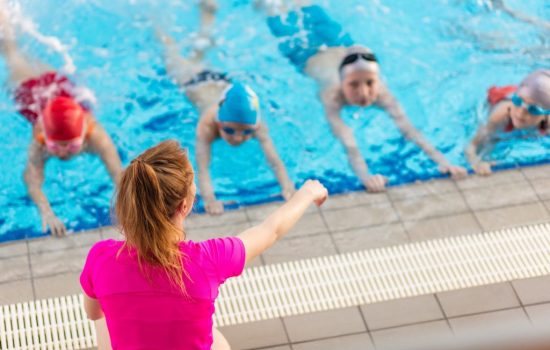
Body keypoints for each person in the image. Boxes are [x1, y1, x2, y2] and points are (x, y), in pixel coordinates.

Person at [80, 140, 328, 350]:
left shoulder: (101, 257)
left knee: (103, 317)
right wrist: (305, 194)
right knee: (216, 339)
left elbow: (93, 313)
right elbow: (270, 230)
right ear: (184, 206)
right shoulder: (209, 260)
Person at [256, 0, 467, 192]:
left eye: (369, 83)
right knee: (271, 7)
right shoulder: (332, 95)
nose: (364, 93)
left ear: (378, 79)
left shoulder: (382, 93)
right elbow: (349, 143)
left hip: (337, 39)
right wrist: (365, 176)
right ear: (342, 82)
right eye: (353, 85)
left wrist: (443, 161)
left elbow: (410, 130)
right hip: (302, 52)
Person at [157, 1, 295, 215]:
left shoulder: (255, 121)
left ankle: (208, 15)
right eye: (229, 130)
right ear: (219, 122)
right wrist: (211, 199)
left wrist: (287, 185)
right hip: (192, 81)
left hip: (218, 83)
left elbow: (274, 159)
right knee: (171, 54)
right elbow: (201, 167)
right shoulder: (207, 124)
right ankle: (156, 26)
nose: (238, 138)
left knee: (199, 52)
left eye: (246, 132)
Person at [0, 3, 122, 236]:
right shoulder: (40, 140)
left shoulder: (96, 136)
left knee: (19, 51)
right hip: (30, 90)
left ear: (83, 135)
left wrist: (130, 210)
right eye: (56, 146)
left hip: (59, 90)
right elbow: (32, 178)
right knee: (10, 50)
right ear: (45, 137)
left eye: (72, 145)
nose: (63, 153)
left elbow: (119, 175)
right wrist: (47, 212)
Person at [466, 70, 550, 175]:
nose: (520, 114)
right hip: (500, 98)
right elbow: (471, 146)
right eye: (518, 101)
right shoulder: (500, 116)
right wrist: (477, 162)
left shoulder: (547, 121)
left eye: (533, 109)